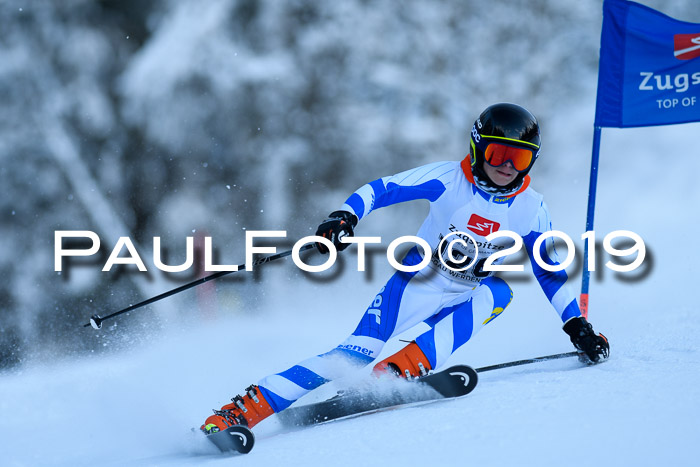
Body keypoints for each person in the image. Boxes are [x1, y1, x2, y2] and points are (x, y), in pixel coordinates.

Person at [201, 103, 609, 434]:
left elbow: (549, 269)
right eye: (498, 154)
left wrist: (577, 325)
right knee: (352, 355)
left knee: (500, 292)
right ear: (477, 147)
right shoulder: (449, 180)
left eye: (519, 157)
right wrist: (345, 217)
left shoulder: (531, 208)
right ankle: (239, 412)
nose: (507, 166)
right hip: (420, 280)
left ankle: (396, 372)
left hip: (470, 289)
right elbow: (381, 189)